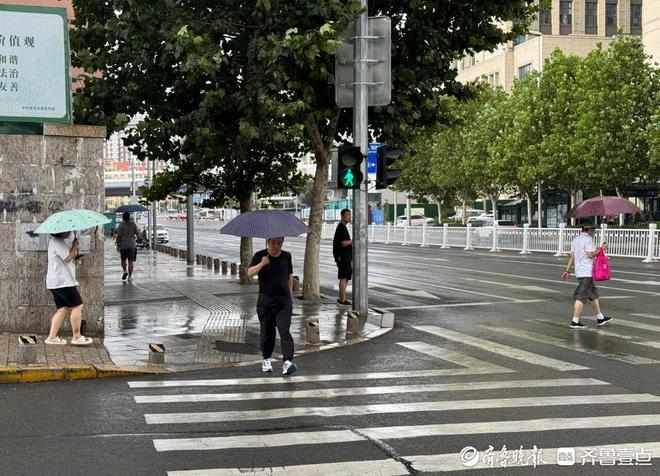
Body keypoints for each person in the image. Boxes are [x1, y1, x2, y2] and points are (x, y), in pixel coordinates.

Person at [247, 237, 297, 376]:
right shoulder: (260, 255)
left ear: (282, 242)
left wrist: (289, 295)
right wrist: (262, 264)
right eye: (273, 242)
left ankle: (287, 362)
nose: (276, 245)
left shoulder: (286, 256)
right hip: (265, 302)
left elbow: (290, 276)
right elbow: (249, 273)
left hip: (283, 302)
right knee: (267, 333)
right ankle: (266, 359)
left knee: (284, 331)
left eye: (279, 243)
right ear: (268, 242)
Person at [45, 232, 93, 346]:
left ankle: (52, 337)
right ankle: (77, 336)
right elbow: (68, 257)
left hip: (55, 282)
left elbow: (66, 258)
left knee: (63, 309)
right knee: (77, 306)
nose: (69, 232)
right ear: (60, 232)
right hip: (63, 281)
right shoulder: (58, 242)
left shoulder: (54, 242)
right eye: (67, 230)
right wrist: (75, 245)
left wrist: (74, 252)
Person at [562, 222, 613, 329]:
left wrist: (568, 270)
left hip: (579, 271)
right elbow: (590, 255)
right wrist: (601, 249)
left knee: (593, 295)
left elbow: (572, 256)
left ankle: (600, 317)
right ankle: (575, 321)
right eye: (593, 229)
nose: (594, 232)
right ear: (589, 229)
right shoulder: (588, 240)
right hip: (586, 272)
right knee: (581, 296)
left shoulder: (575, 240)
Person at [333, 209, 353, 305]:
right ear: (342, 216)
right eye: (347, 215)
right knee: (344, 278)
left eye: (350, 215)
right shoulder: (341, 227)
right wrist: (353, 240)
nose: (349, 217)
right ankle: (342, 299)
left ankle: (341, 298)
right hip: (343, 257)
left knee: (345, 277)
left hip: (344, 257)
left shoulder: (342, 227)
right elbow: (344, 243)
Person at [115, 212, 140, 281]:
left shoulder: (121, 225)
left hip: (123, 245)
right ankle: (130, 277)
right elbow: (138, 234)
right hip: (132, 245)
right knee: (130, 261)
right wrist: (136, 237)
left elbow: (119, 236)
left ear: (123, 217)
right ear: (129, 217)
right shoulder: (133, 224)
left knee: (123, 260)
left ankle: (125, 271)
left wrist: (118, 245)